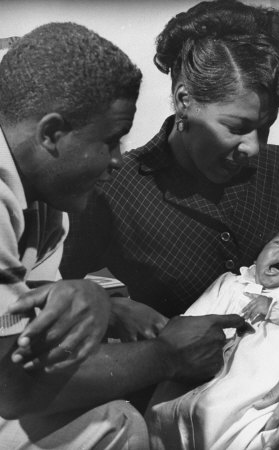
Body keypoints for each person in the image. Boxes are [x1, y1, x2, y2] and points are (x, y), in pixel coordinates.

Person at [61, 1, 279, 448]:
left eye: (265, 128)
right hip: (194, 401)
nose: (254, 148)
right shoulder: (114, 189)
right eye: (237, 126)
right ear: (186, 100)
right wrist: (111, 306)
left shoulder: (275, 169)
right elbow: (54, 289)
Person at [0, 22, 243, 449]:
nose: (117, 160)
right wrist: (165, 357)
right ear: (51, 134)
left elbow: (35, 330)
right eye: (110, 141)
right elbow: (13, 385)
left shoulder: (45, 201)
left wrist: (106, 304)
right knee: (117, 426)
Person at [146, 224, 279, 450]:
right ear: (259, 252)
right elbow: (190, 321)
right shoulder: (229, 282)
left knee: (237, 424)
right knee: (169, 417)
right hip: (199, 373)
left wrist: (273, 307)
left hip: (250, 390)